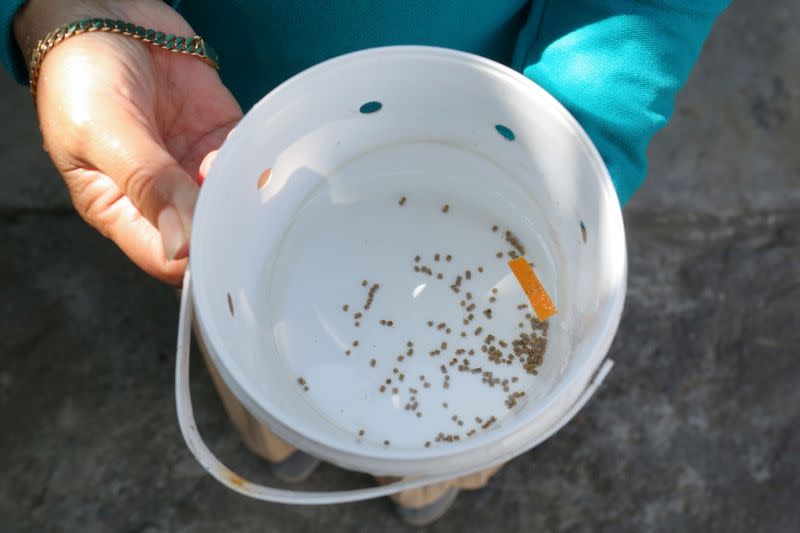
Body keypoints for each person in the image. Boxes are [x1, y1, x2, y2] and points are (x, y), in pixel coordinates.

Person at [2, 0, 730, 525]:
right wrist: (65, 10)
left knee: (432, 449)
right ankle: (274, 432)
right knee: (242, 332)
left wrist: (575, 129)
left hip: (493, 93)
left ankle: (415, 475)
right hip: (212, 129)